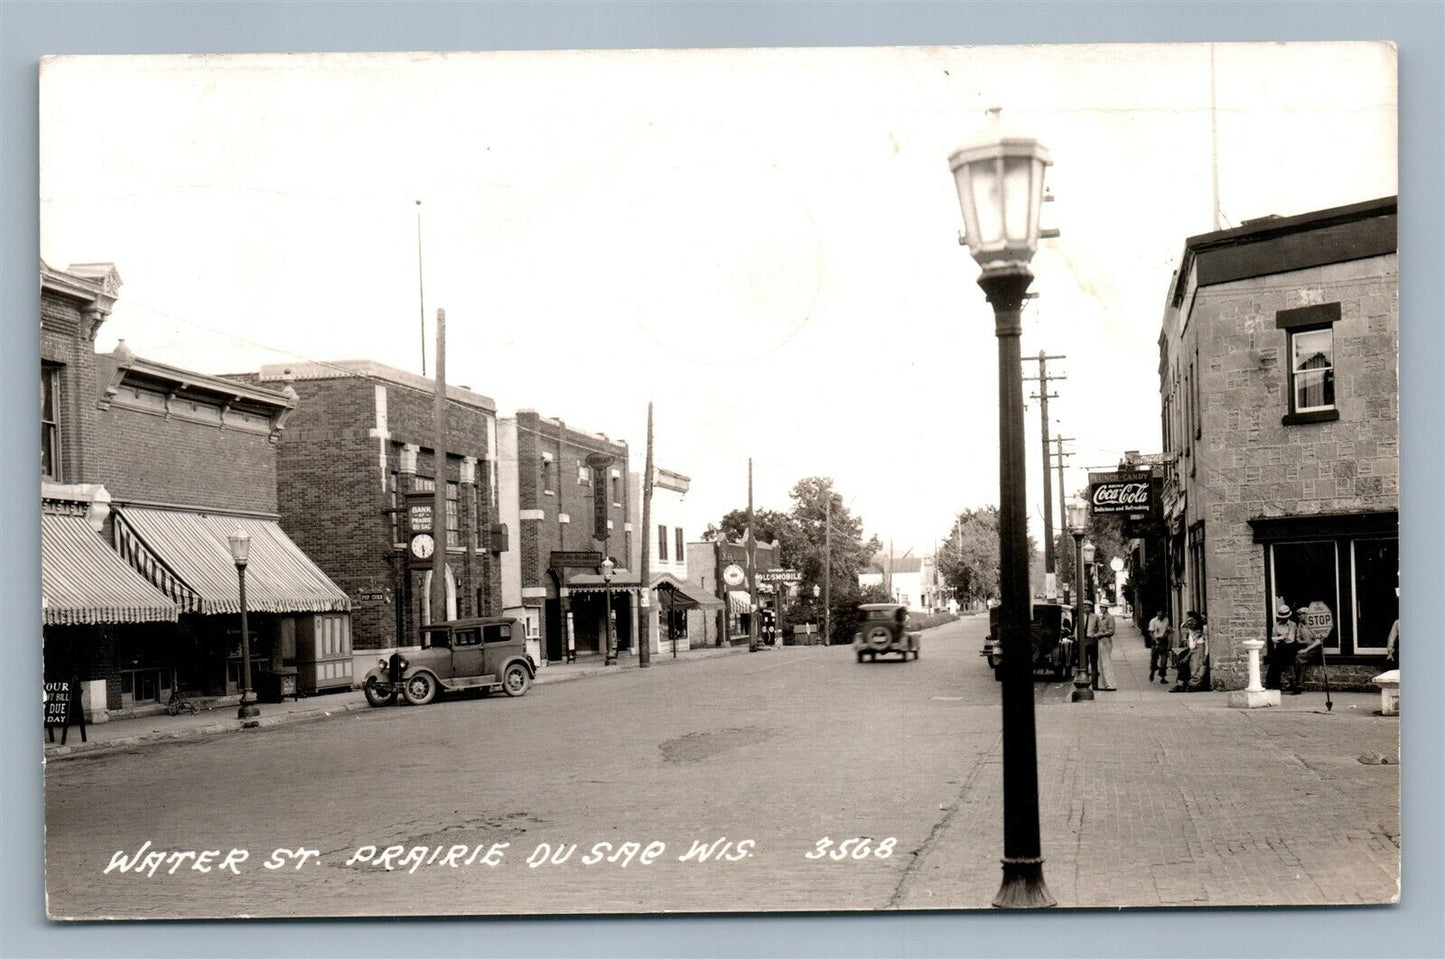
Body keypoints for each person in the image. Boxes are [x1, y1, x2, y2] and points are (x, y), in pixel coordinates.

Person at [1266, 603, 1304, 694]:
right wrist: (1282, 637)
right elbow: (1273, 639)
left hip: (1289, 647)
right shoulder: (1276, 625)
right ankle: (1277, 685)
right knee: (1274, 662)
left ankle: (1291, 685)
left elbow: (1290, 639)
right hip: (1280, 648)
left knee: (1287, 661)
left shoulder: (1292, 625)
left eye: (1285, 617)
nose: (1283, 619)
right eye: (1281, 617)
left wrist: (1279, 637)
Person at [1090, 601, 1117, 690]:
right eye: (1101, 607)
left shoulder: (1110, 618)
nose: (1101, 609)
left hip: (1105, 640)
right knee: (1101, 663)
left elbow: (1111, 631)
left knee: (1106, 662)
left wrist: (1100, 634)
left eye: (1103, 607)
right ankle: (1105, 684)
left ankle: (1110, 684)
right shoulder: (1102, 618)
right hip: (1100, 641)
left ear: (1106, 608)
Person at [1147, 610, 1173, 684]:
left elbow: (1168, 631)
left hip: (1163, 640)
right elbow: (1151, 632)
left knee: (1164, 660)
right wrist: (1156, 641)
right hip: (1155, 640)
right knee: (1154, 659)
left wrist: (1169, 643)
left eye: (1162, 612)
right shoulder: (1153, 621)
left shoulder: (1166, 620)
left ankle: (1163, 676)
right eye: (1159, 612)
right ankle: (1152, 671)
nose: (1160, 614)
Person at [1077, 600, 1098, 688]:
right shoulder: (1080, 617)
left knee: (1094, 662)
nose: (1086, 609)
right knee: (1083, 663)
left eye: (1088, 607)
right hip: (1083, 640)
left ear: (1091, 608)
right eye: (1085, 607)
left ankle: (1094, 683)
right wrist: (1077, 639)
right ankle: (1084, 680)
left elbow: (1099, 628)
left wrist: (1095, 635)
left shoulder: (1095, 617)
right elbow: (1076, 629)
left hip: (1092, 640)